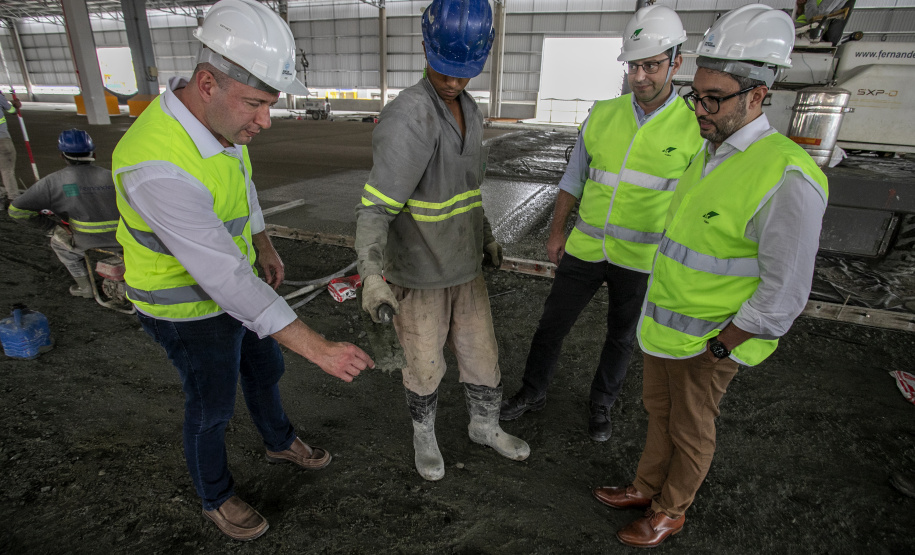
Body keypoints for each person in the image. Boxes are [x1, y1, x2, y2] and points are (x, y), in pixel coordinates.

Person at [111, 0, 373, 542]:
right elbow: (225, 279)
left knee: (265, 369)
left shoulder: (222, 129)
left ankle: (278, 439)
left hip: (237, 292)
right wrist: (320, 348)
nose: (266, 120)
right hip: (184, 310)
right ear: (207, 83)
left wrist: (264, 243)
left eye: (270, 103)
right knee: (211, 406)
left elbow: (243, 188)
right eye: (256, 103)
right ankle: (215, 496)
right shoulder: (156, 163)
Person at [592, 5, 828, 548]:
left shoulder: (787, 177)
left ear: (757, 95)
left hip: (709, 341)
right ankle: (647, 487)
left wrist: (721, 348)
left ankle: (670, 511)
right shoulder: (709, 152)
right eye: (697, 95)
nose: (699, 108)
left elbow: (784, 294)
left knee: (691, 430)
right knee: (659, 413)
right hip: (666, 331)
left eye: (714, 98)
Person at [500, 5, 703, 442]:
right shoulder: (604, 114)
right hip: (586, 248)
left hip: (641, 258)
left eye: (652, 65)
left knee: (621, 339)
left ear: (676, 62)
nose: (641, 76)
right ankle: (533, 391)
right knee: (550, 327)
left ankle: (601, 406)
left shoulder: (693, 130)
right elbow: (574, 177)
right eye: (634, 65)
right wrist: (557, 231)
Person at [354, 0, 529, 482]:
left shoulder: (469, 109)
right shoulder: (410, 117)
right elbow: (374, 207)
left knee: (482, 356)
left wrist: (487, 237)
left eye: (463, 72)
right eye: (445, 70)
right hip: (420, 275)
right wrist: (371, 276)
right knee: (424, 365)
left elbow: (468, 194)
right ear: (426, 48)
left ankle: (484, 425)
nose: (453, 81)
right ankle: (424, 435)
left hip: (465, 269)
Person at [8, 129, 119, 298]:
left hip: (85, 241)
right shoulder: (113, 176)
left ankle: (85, 288)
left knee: (58, 243)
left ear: (62, 156)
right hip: (124, 239)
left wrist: (53, 227)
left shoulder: (52, 183)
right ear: (94, 154)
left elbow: (16, 211)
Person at [0, 91, 22, 208]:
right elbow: (12, 111)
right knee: (7, 170)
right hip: (2, 139)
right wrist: (16, 105)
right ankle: (13, 199)